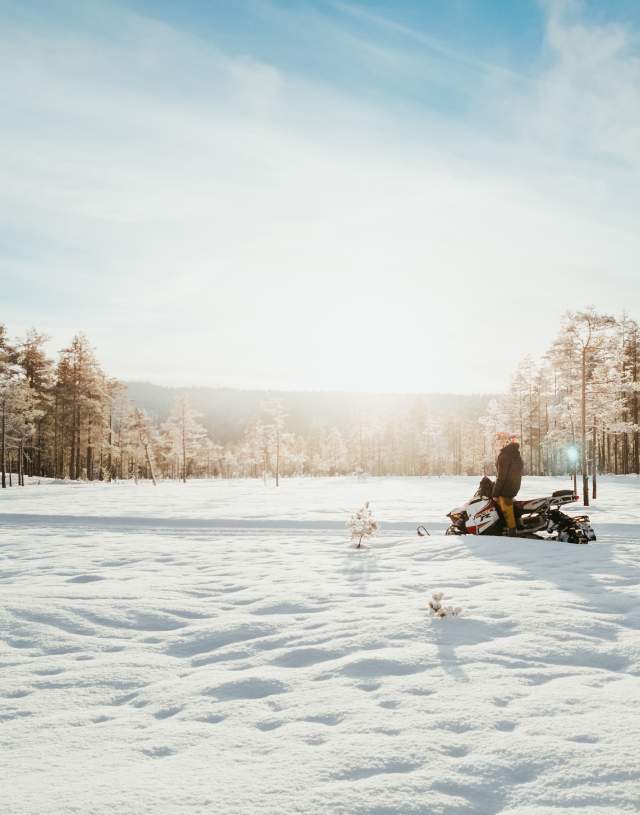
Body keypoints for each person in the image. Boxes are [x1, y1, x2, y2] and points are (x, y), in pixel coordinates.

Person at [493, 433, 524, 536]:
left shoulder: (504, 455)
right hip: (514, 485)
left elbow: (501, 476)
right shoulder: (514, 453)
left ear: (505, 442)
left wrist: (495, 493)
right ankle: (517, 522)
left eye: (500, 441)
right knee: (508, 503)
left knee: (504, 503)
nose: (497, 443)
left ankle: (512, 530)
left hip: (507, 487)